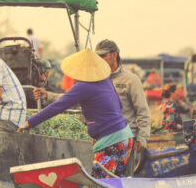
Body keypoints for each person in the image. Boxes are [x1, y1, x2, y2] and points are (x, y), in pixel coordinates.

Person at [21, 49, 133, 179]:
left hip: (111, 142)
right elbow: (119, 105)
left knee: (100, 184)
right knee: (117, 182)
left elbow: (58, 106)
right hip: (125, 137)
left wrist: (30, 122)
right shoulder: (105, 80)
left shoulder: (84, 86)